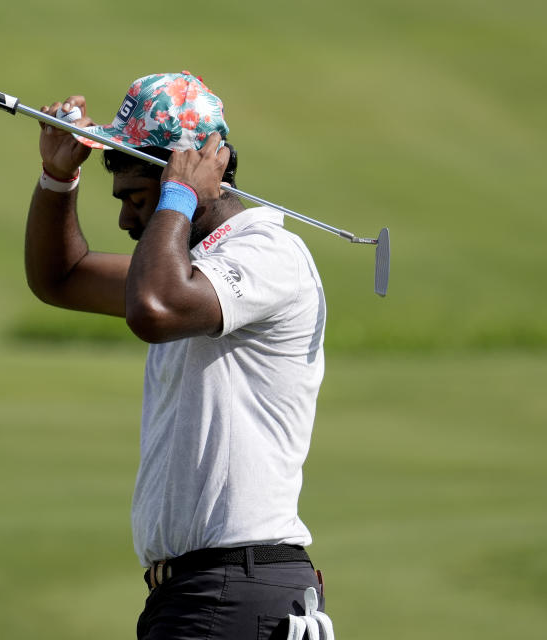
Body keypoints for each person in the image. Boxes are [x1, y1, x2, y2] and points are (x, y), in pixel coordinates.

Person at [25, 71, 331, 640]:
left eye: (137, 199)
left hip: (232, 590)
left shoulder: (270, 254)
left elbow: (154, 310)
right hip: (202, 595)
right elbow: (60, 278)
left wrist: (177, 196)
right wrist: (57, 177)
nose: (125, 220)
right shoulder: (184, 268)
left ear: (189, 178)